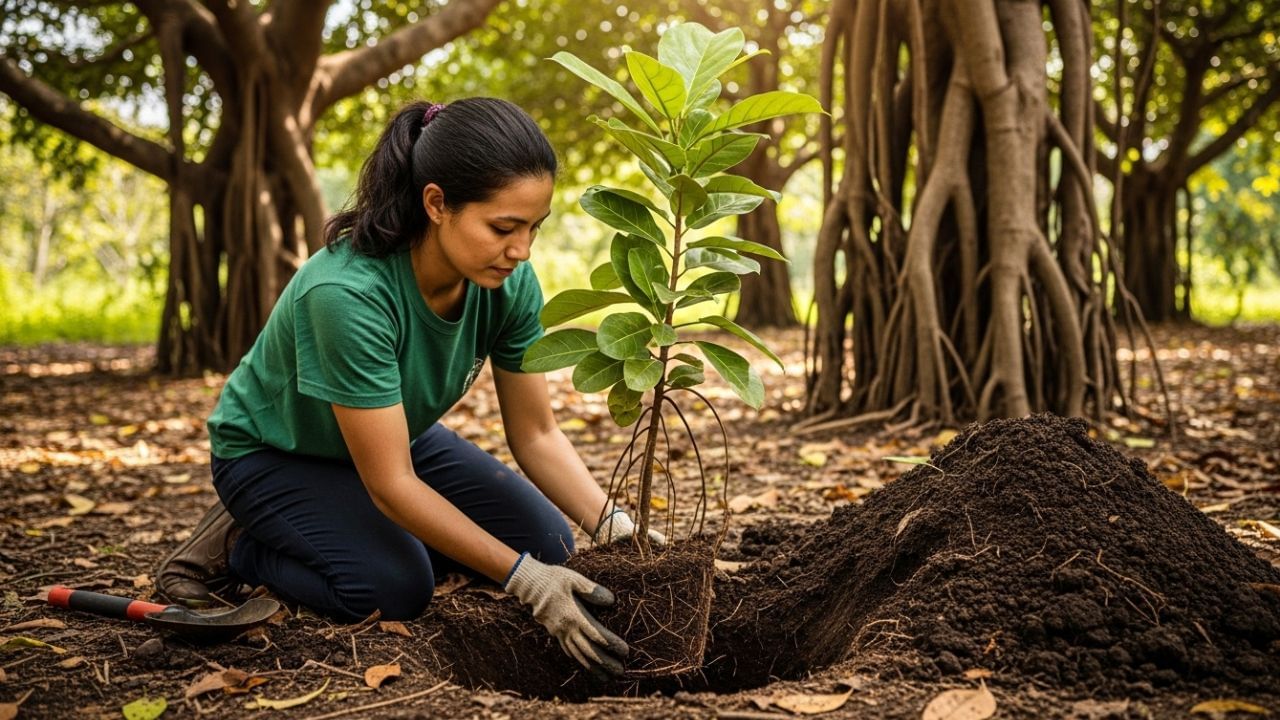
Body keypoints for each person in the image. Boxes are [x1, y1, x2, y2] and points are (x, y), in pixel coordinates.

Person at [155, 98, 659, 678]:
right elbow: (392, 484)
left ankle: (350, 525)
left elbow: (538, 433)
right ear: (437, 203)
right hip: (275, 453)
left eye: (533, 228)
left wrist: (619, 529)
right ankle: (245, 543)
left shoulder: (509, 283)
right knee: (394, 586)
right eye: (503, 227)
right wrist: (525, 581)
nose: (522, 250)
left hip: (392, 440)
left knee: (551, 541)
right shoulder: (347, 294)